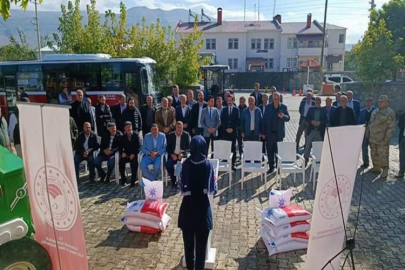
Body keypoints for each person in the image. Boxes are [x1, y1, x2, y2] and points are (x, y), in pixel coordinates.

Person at [178, 135, 217, 270]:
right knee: (201, 249)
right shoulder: (208, 164)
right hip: (202, 211)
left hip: (187, 210)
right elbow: (213, 189)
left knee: (188, 248)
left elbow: (180, 185)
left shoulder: (185, 164)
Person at [368, 95, 396, 178]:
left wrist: (387, 138)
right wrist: (368, 131)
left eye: (382, 101)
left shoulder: (390, 112)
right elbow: (370, 122)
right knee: (374, 154)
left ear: (386, 102)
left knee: (383, 155)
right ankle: (376, 167)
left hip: (382, 139)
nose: (380, 103)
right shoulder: (375, 111)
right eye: (379, 101)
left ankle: (385, 170)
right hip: (373, 138)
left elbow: (391, 127)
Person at [262, 92, 290, 173]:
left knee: (279, 151)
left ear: (280, 99)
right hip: (270, 134)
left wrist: (283, 116)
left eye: (278, 99)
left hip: (279, 134)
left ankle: (278, 167)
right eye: (275, 99)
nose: (277, 100)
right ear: (272, 99)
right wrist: (263, 133)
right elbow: (264, 120)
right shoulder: (268, 107)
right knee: (270, 151)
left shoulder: (283, 107)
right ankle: (271, 167)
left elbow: (288, 118)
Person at [166, 121, 191, 188]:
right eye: (178, 127)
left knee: (181, 166)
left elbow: (189, 148)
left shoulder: (186, 135)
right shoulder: (171, 135)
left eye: (181, 127)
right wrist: (171, 154)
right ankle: (173, 179)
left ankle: (180, 181)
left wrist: (183, 154)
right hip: (173, 155)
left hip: (182, 156)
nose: (179, 129)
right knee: (168, 165)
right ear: (175, 127)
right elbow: (167, 148)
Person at [304, 97, 328, 164]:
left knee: (318, 146)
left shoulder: (324, 110)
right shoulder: (310, 109)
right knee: (308, 145)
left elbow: (326, 120)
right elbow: (306, 118)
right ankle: (306, 159)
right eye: (316, 100)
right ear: (315, 101)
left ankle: (317, 159)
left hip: (319, 131)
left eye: (319, 100)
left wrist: (320, 122)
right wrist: (311, 121)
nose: (317, 102)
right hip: (311, 130)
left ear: (320, 102)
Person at [119, 121, 141, 186]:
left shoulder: (136, 135)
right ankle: (123, 180)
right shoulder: (123, 137)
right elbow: (120, 147)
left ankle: (133, 181)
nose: (129, 128)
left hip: (134, 155)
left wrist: (134, 154)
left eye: (130, 127)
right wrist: (122, 153)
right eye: (127, 127)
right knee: (121, 163)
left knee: (134, 164)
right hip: (126, 155)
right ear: (124, 128)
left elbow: (139, 146)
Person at [221, 95, 239, 170]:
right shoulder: (224, 109)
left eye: (230, 100)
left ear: (233, 100)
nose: (229, 102)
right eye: (227, 100)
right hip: (225, 132)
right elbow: (222, 120)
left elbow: (237, 121)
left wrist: (232, 128)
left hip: (233, 132)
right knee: (226, 147)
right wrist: (226, 129)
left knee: (233, 148)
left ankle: (233, 164)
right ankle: (225, 162)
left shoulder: (236, 110)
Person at [358, 97, 377, 168]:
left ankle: (376, 164)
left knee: (374, 149)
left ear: (372, 103)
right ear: (365, 103)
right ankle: (366, 162)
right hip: (364, 132)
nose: (368, 104)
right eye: (367, 102)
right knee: (364, 148)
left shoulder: (376, 110)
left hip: (373, 133)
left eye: (370, 102)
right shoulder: (362, 111)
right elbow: (359, 122)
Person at [396, 111, 405, 178]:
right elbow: (399, 125)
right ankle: (401, 172)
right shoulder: (402, 115)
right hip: (403, 138)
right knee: (402, 156)